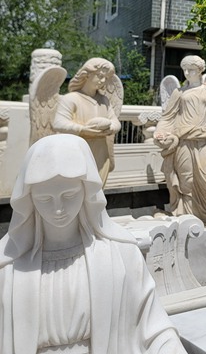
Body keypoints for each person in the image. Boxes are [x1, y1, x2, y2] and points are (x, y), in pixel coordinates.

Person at [0, 134, 186, 353]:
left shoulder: (122, 254)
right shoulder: (8, 266)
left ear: (86, 191)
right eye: (45, 199)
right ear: (29, 199)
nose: (58, 208)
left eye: (69, 195)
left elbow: (154, 329)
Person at [154, 55, 206, 228]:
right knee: (186, 181)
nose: (187, 73)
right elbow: (167, 117)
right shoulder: (178, 93)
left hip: (204, 141)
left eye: (192, 70)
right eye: (185, 70)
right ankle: (187, 216)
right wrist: (160, 132)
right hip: (183, 142)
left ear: (200, 70)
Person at [52, 58, 121, 185]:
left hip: (101, 153)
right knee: (77, 192)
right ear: (87, 74)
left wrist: (109, 128)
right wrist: (83, 130)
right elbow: (58, 123)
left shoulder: (104, 100)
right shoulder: (71, 98)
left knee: (96, 194)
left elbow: (116, 122)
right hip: (77, 151)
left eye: (105, 78)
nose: (103, 81)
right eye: (100, 76)